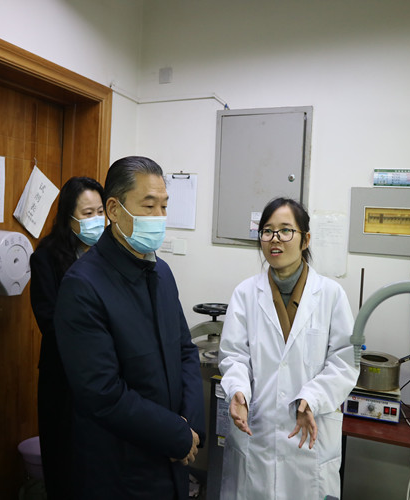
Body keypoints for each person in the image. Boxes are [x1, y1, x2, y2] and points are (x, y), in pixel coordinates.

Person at [54, 156, 206, 500]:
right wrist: (174, 434)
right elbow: (102, 392)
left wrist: (191, 425)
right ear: (114, 209)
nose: (159, 217)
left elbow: (184, 349)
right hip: (122, 467)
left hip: (174, 457)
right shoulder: (83, 285)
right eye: (148, 206)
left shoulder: (161, 272)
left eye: (164, 206)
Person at [218, 197, 358, 500]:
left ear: (305, 239)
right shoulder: (245, 293)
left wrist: (312, 397)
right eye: (267, 231)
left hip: (308, 441)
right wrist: (238, 389)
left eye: (285, 230)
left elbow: (344, 363)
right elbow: (233, 355)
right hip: (256, 433)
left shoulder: (331, 295)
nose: (275, 239)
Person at [29, 176, 105, 499]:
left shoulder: (112, 253)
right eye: (87, 214)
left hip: (107, 376)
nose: (96, 220)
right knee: (64, 463)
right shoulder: (46, 257)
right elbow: (49, 320)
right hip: (62, 376)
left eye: (100, 212)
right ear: (69, 217)